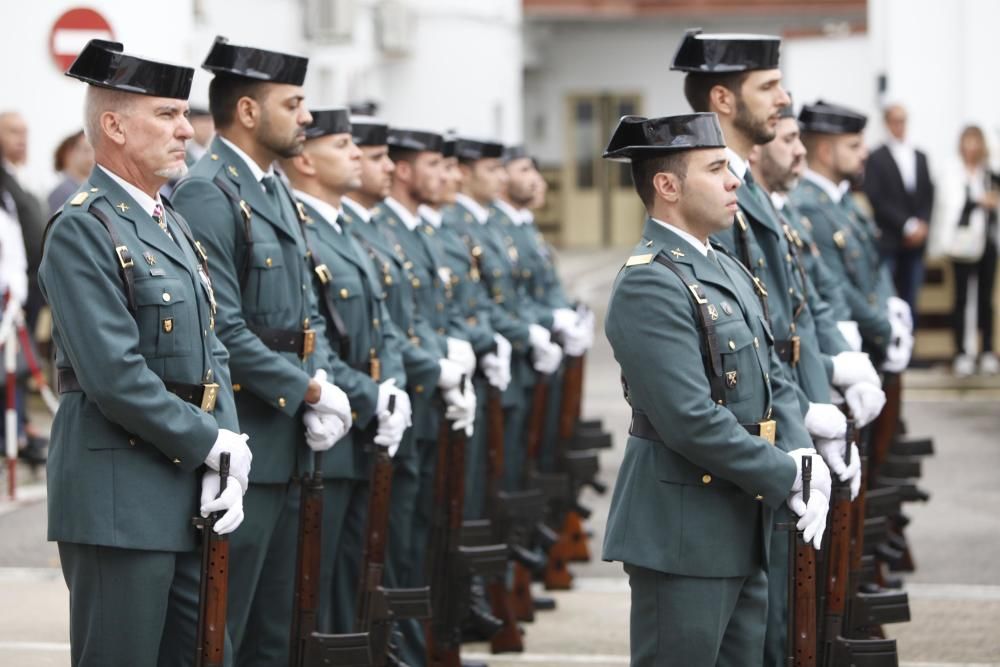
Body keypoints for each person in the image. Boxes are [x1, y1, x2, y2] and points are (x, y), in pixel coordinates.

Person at [40, 39, 250, 666]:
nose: (187, 130)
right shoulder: (84, 226)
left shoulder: (169, 222)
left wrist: (228, 449)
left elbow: (213, 354)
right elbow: (115, 376)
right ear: (113, 125)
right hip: (119, 496)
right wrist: (207, 443)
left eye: (184, 114)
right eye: (166, 114)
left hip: (184, 482)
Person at [172, 36, 375, 666]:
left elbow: (303, 319)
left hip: (286, 438)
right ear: (250, 113)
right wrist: (310, 389)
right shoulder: (210, 191)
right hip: (248, 430)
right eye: (294, 104)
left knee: (279, 625)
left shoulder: (273, 188)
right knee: (226, 626)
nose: (307, 117)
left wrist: (316, 383)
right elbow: (224, 329)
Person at [600, 112, 831, 667]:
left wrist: (798, 447)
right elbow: (690, 420)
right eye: (715, 168)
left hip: (738, 521)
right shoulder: (651, 281)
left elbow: (773, 372)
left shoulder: (721, 266)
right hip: (682, 532)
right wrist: (784, 474)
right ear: (667, 185)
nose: (734, 180)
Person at [280, 108, 413, 634]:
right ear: (305, 157)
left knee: (351, 586)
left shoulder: (345, 228)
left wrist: (393, 387)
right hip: (329, 437)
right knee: (317, 599)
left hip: (362, 432)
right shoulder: (304, 228)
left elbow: (385, 327)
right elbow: (314, 340)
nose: (356, 155)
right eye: (344, 146)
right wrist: (371, 395)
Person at [791, 101, 914, 375]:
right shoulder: (806, 206)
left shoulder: (845, 200)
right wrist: (884, 328)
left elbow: (875, 260)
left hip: (871, 340)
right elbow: (836, 284)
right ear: (824, 151)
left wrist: (890, 305)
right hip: (848, 345)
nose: (865, 153)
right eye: (854, 146)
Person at [933, 124, 999, 376]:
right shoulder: (952, 170)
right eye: (967, 142)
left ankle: (987, 351)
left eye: (976, 142)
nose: (972, 147)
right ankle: (962, 351)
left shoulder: (988, 172)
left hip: (987, 242)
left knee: (986, 299)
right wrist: (977, 201)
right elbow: (949, 204)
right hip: (962, 243)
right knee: (961, 299)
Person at [863, 104, 935, 312]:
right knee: (889, 295)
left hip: (916, 242)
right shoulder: (876, 157)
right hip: (890, 238)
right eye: (895, 121)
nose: (900, 126)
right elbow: (876, 197)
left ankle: (909, 342)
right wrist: (907, 225)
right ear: (887, 124)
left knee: (911, 296)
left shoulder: (920, 156)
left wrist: (922, 225)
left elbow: (928, 195)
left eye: (903, 120)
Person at [47, 130, 94, 215]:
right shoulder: (62, 192)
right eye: (86, 150)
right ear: (70, 153)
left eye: (94, 151)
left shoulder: (90, 189)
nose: (91, 157)